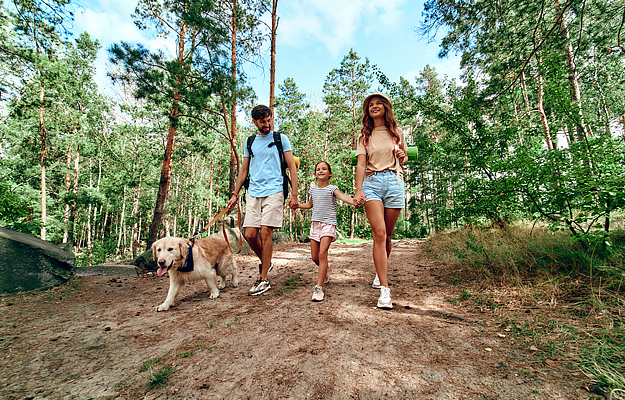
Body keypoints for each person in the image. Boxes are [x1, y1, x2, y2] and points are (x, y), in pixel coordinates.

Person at [227, 105, 299, 296]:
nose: (266, 124)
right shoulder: (250, 142)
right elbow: (243, 171)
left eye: (269, 120)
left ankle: (264, 277)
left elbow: (292, 167)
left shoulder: (280, 139)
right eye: (262, 121)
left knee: (266, 232)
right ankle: (267, 261)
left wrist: (294, 194)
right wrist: (235, 193)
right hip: (253, 192)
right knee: (250, 234)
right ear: (254, 122)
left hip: (275, 190)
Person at [353, 92, 408, 309]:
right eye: (370, 105)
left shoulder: (397, 132)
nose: (374, 107)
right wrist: (358, 190)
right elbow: (360, 164)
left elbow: (402, 157)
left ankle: (379, 272)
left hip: (394, 182)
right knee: (379, 233)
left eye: (378, 103)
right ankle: (385, 290)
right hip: (372, 183)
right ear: (367, 110)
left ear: (386, 107)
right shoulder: (365, 136)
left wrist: (403, 157)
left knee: (388, 236)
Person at [296, 161, 354, 302]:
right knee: (315, 257)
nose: (321, 171)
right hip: (315, 225)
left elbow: (342, 197)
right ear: (315, 174)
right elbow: (310, 205)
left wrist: (354, 201)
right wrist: (297, 205)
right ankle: (326, 268)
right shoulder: (313, 190)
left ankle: (318, 288)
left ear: (330, 173)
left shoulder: (332, 188)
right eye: (318, 169)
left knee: (322, 254)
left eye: (324, 169)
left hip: (328, 225)